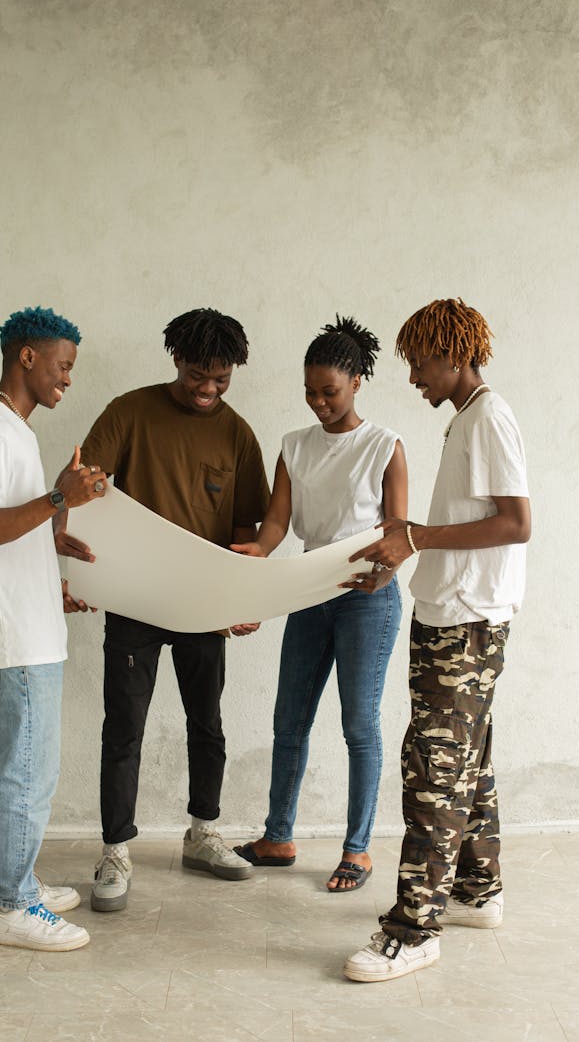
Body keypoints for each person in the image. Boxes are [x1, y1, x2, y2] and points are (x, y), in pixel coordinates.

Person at [343, 297, 531, 982]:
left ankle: (413, 929)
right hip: (451, 618)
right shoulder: (467, 420)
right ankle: (477, 891)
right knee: (465, 762)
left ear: (451, 355)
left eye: (420, 363)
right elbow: (469, 524)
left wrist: (416, 535)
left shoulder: (489, 419)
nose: (415, 377)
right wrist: (408, 542)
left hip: (467, 623)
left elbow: (516, 522)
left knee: (433, 774)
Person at [59, 308, 270, 911]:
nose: (208, 389)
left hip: (203, 604)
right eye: (197, 375)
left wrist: (241, 595)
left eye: (221, 379)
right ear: (176, 359)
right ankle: (116, 850)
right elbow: (80, 485)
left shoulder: (236, 434)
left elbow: (245, 529)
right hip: (134, 601)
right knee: (123, 725)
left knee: (208, 724)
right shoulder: (130, 411)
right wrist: (76, 571)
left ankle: (203, 832)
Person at [231, 315, 407, 891]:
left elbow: (396, 529)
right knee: (289, 721)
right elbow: (278, 521)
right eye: (309, 392)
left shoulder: (384, 446)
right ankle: (277, 837)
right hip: (310, 592)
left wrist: (385, 572)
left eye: (328, 391)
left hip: (366, 598)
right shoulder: (294, 446)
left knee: (359, 724)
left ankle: (358, 850)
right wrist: (254, 552)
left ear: (357, 381)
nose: (318, 403)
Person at [0, 305, 106, 951]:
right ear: (27, 358)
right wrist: (59, 499)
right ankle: (14, 907)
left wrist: (52, 549)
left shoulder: (15, 431)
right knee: (26, 772)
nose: (68, 378)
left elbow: (5, 527)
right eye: (63, 365)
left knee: (16, 766)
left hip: (23, 629)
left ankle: (6, 884)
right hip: (13, 640)